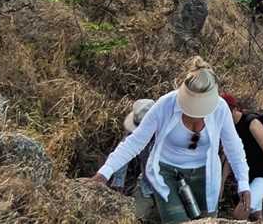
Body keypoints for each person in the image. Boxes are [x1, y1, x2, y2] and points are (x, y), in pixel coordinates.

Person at [91, 58, 251, 223]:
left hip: (205, 173)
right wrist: (105, 172)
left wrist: (243, 183)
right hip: (167, 172)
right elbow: (135, 141)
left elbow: (233, 147)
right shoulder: (165, 105)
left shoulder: (220, 108)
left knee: (206, 220)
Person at [221, 94, 263, 222]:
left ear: (234, 109)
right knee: (257, 217)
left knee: (239, 214)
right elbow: (230, 157)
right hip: (250, 176)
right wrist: (221, 183)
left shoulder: (252, 123)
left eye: (225, 112)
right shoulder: (228, 128)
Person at [109, 99, 158, 222]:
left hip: (177, 187)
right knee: (131, 218)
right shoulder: (134, 135)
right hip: (146, 188)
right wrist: (118, 183)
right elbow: (123, 154)